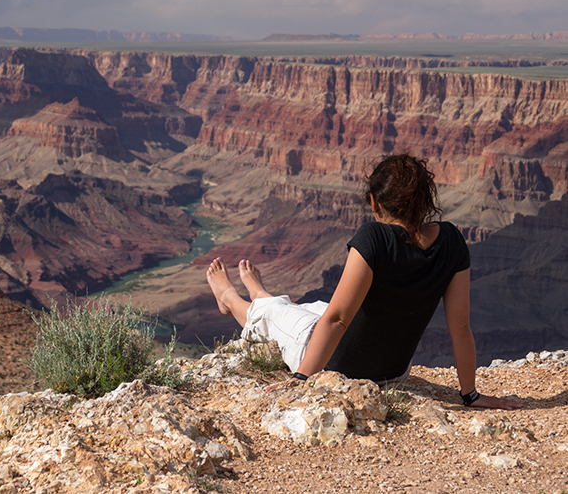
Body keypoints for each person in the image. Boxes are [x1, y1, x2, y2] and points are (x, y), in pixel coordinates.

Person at [206, 153, 521, 410]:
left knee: (279, 317)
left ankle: (232, 299)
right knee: (315, 306)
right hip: (394, 372)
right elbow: (461, 328)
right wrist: (470, 394)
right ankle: (261, 291)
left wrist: (302, 382)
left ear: (373, 202)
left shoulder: (374, 238)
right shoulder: (452, 240)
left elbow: (339, 319)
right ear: (425, 200)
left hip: (338, 368)